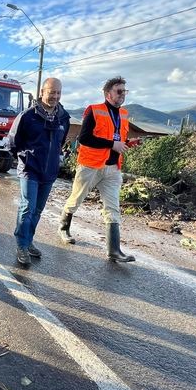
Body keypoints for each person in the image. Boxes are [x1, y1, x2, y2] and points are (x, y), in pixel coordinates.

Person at [58, 76, 135, 262]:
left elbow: (118, 139)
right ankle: (63, 228)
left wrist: (126, 144)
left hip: (113, 169)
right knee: (76, 199)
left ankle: (114, 250)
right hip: (90, 166)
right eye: (119, 91)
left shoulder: (124, 114)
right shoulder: (94, 111)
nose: (122, 94)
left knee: (113, 208)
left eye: (125, 91)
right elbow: (84, 138)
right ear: (108, 94)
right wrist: (112, 144)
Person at [8, 78, 70, 265]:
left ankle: (28, 242)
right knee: (27, 207)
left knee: (38, 210)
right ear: (42, 92)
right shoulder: (27, 116)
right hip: (30, 169)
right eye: (51, 92)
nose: (55, 96)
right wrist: (25, 158)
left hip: (49, 172)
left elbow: (61, 142)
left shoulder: (64, 117)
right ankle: (21, 245)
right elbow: (12, 142)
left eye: (58, 93)